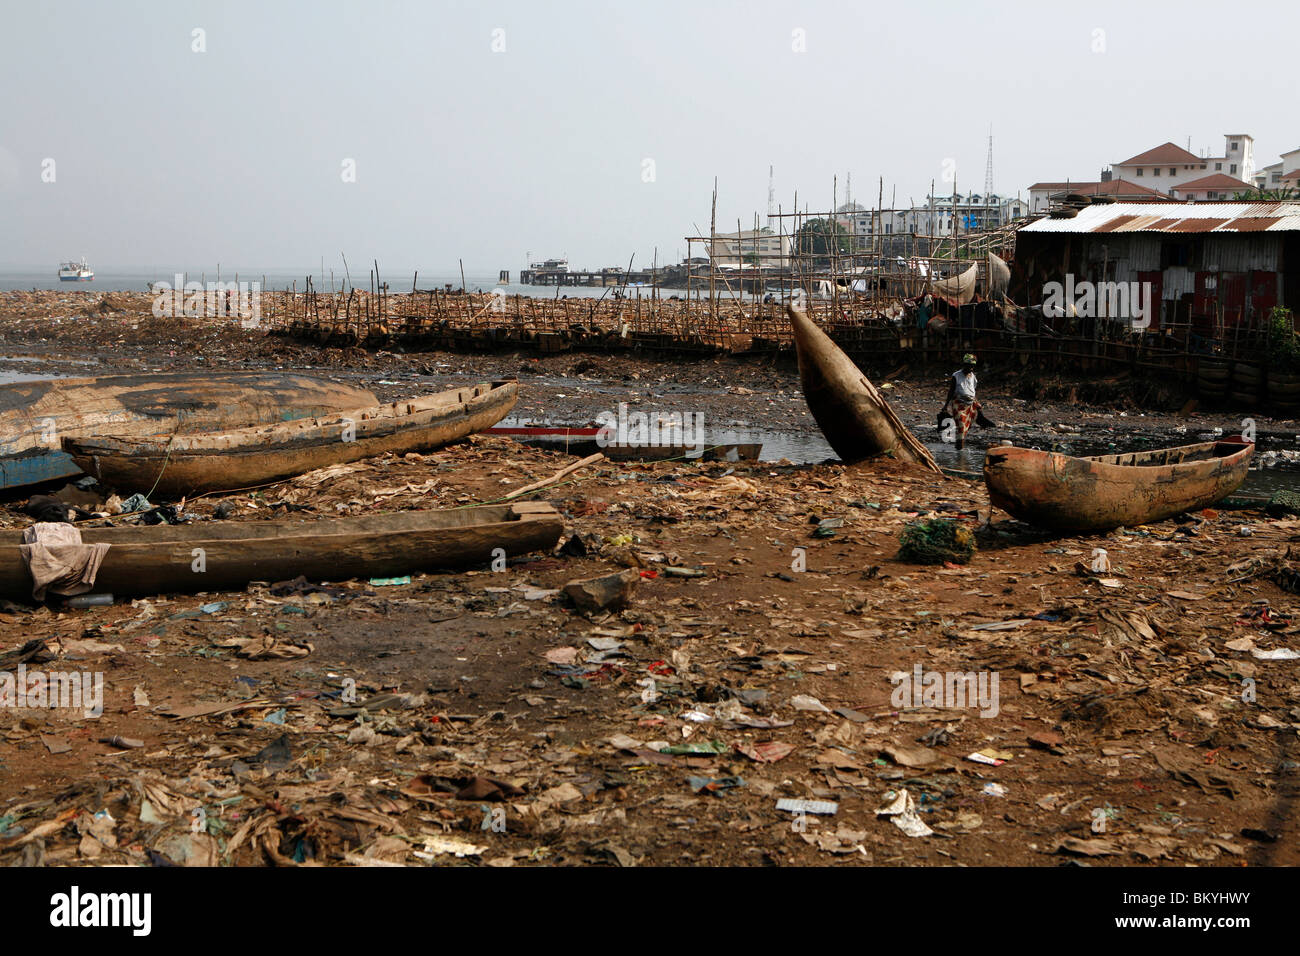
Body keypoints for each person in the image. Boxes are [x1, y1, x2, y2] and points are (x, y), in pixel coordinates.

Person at [940, 353, 995, 448]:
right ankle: (959, 451)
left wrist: (977, 404)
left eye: (972, 366)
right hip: (959, 404)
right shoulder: (956, 376)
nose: (971, 368)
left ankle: (960, 447)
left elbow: (972, 390)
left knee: (966, 428)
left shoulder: (973, 376)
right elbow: (951, 391)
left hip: (970, 404)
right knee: (961, 425)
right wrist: (946, 406)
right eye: (969, 366)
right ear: (964, 365)